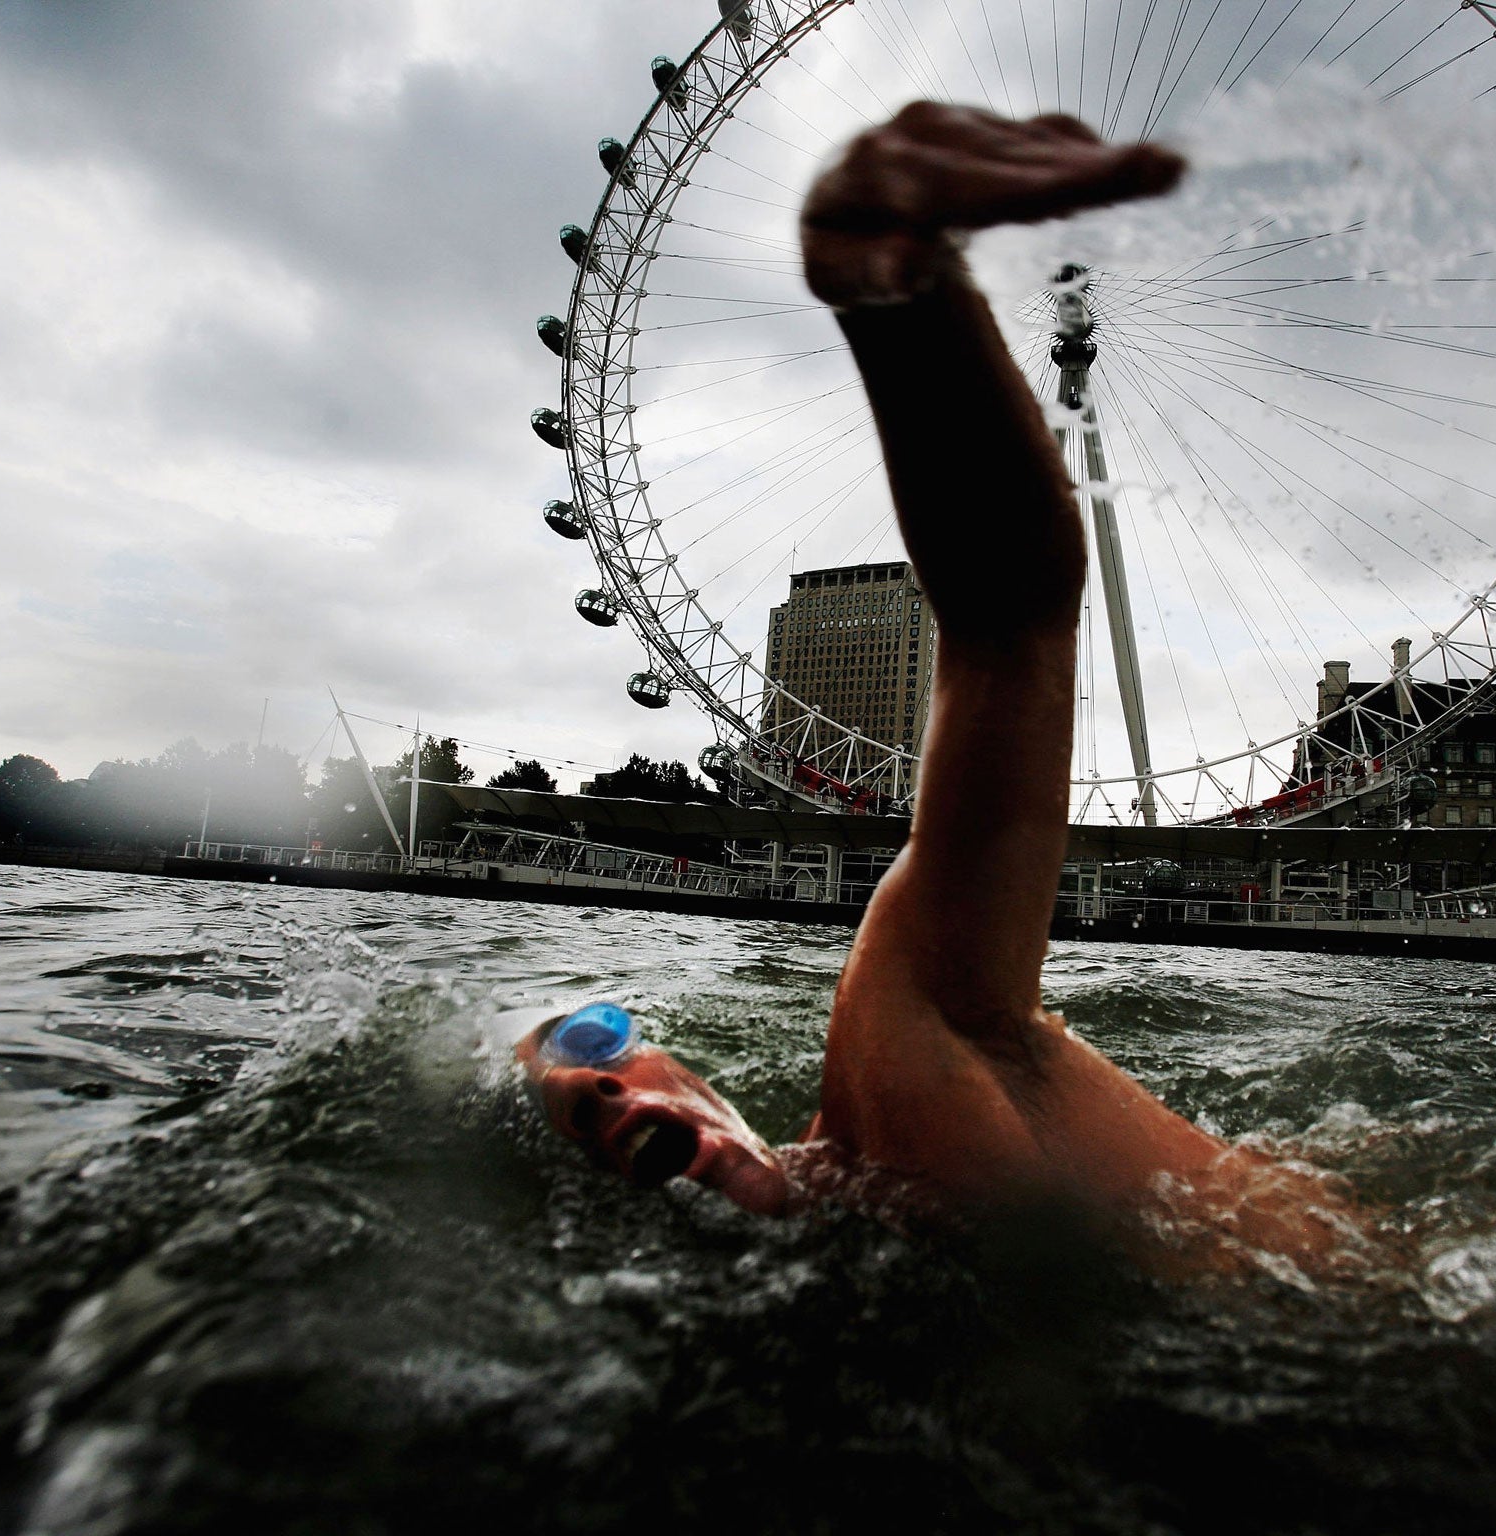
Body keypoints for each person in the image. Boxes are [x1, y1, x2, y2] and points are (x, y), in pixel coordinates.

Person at [518, 103, 1357, 1270]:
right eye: (588, 1122)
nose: (620, 1109)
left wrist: (889, 292)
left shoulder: (903, 1064)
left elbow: (1007, 626)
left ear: (678, 1070)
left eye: (610, 1069)